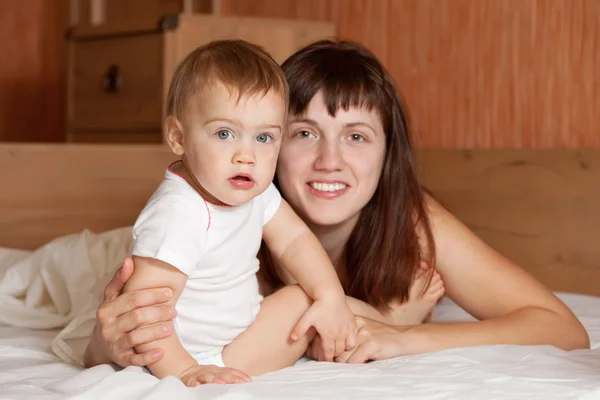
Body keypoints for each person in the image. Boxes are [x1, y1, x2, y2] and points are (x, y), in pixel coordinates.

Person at [84, 39, 589, 377]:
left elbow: (562, 329)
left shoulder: (412, 220)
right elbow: (130, 329)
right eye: (305, 133)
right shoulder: (217, 206)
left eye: (356, 136)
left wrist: (405, 337)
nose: (330, 161)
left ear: (388, 152)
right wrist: (110, 343)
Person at [114, 39, 359, 387]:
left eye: (263, 138)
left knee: (309, 297)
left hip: (236, 339)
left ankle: (348, 319)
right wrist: (185, 371)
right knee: (308, 310)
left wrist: (331, 295)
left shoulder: (254, 191)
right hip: (186, 356)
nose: (247, 156)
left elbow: (295, 240)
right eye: (225, 133)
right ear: (178, 136)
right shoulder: (178, 213)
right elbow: (145, 313)